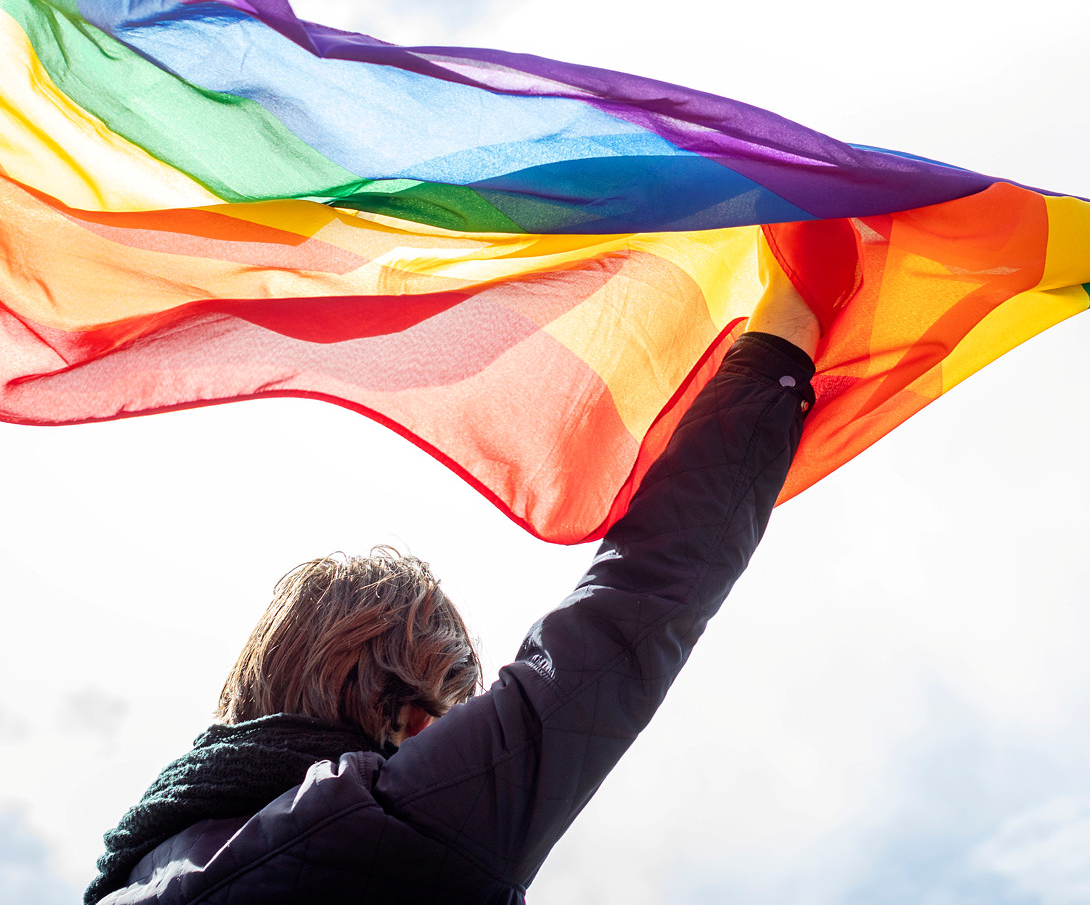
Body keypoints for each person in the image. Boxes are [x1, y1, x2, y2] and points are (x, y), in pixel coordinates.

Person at [88, 258, 822, 904]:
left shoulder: (135, 870)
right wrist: (782, 342)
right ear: (403, 715)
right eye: (446, 712)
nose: (450, 737)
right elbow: (642, 599)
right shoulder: (388, 827)